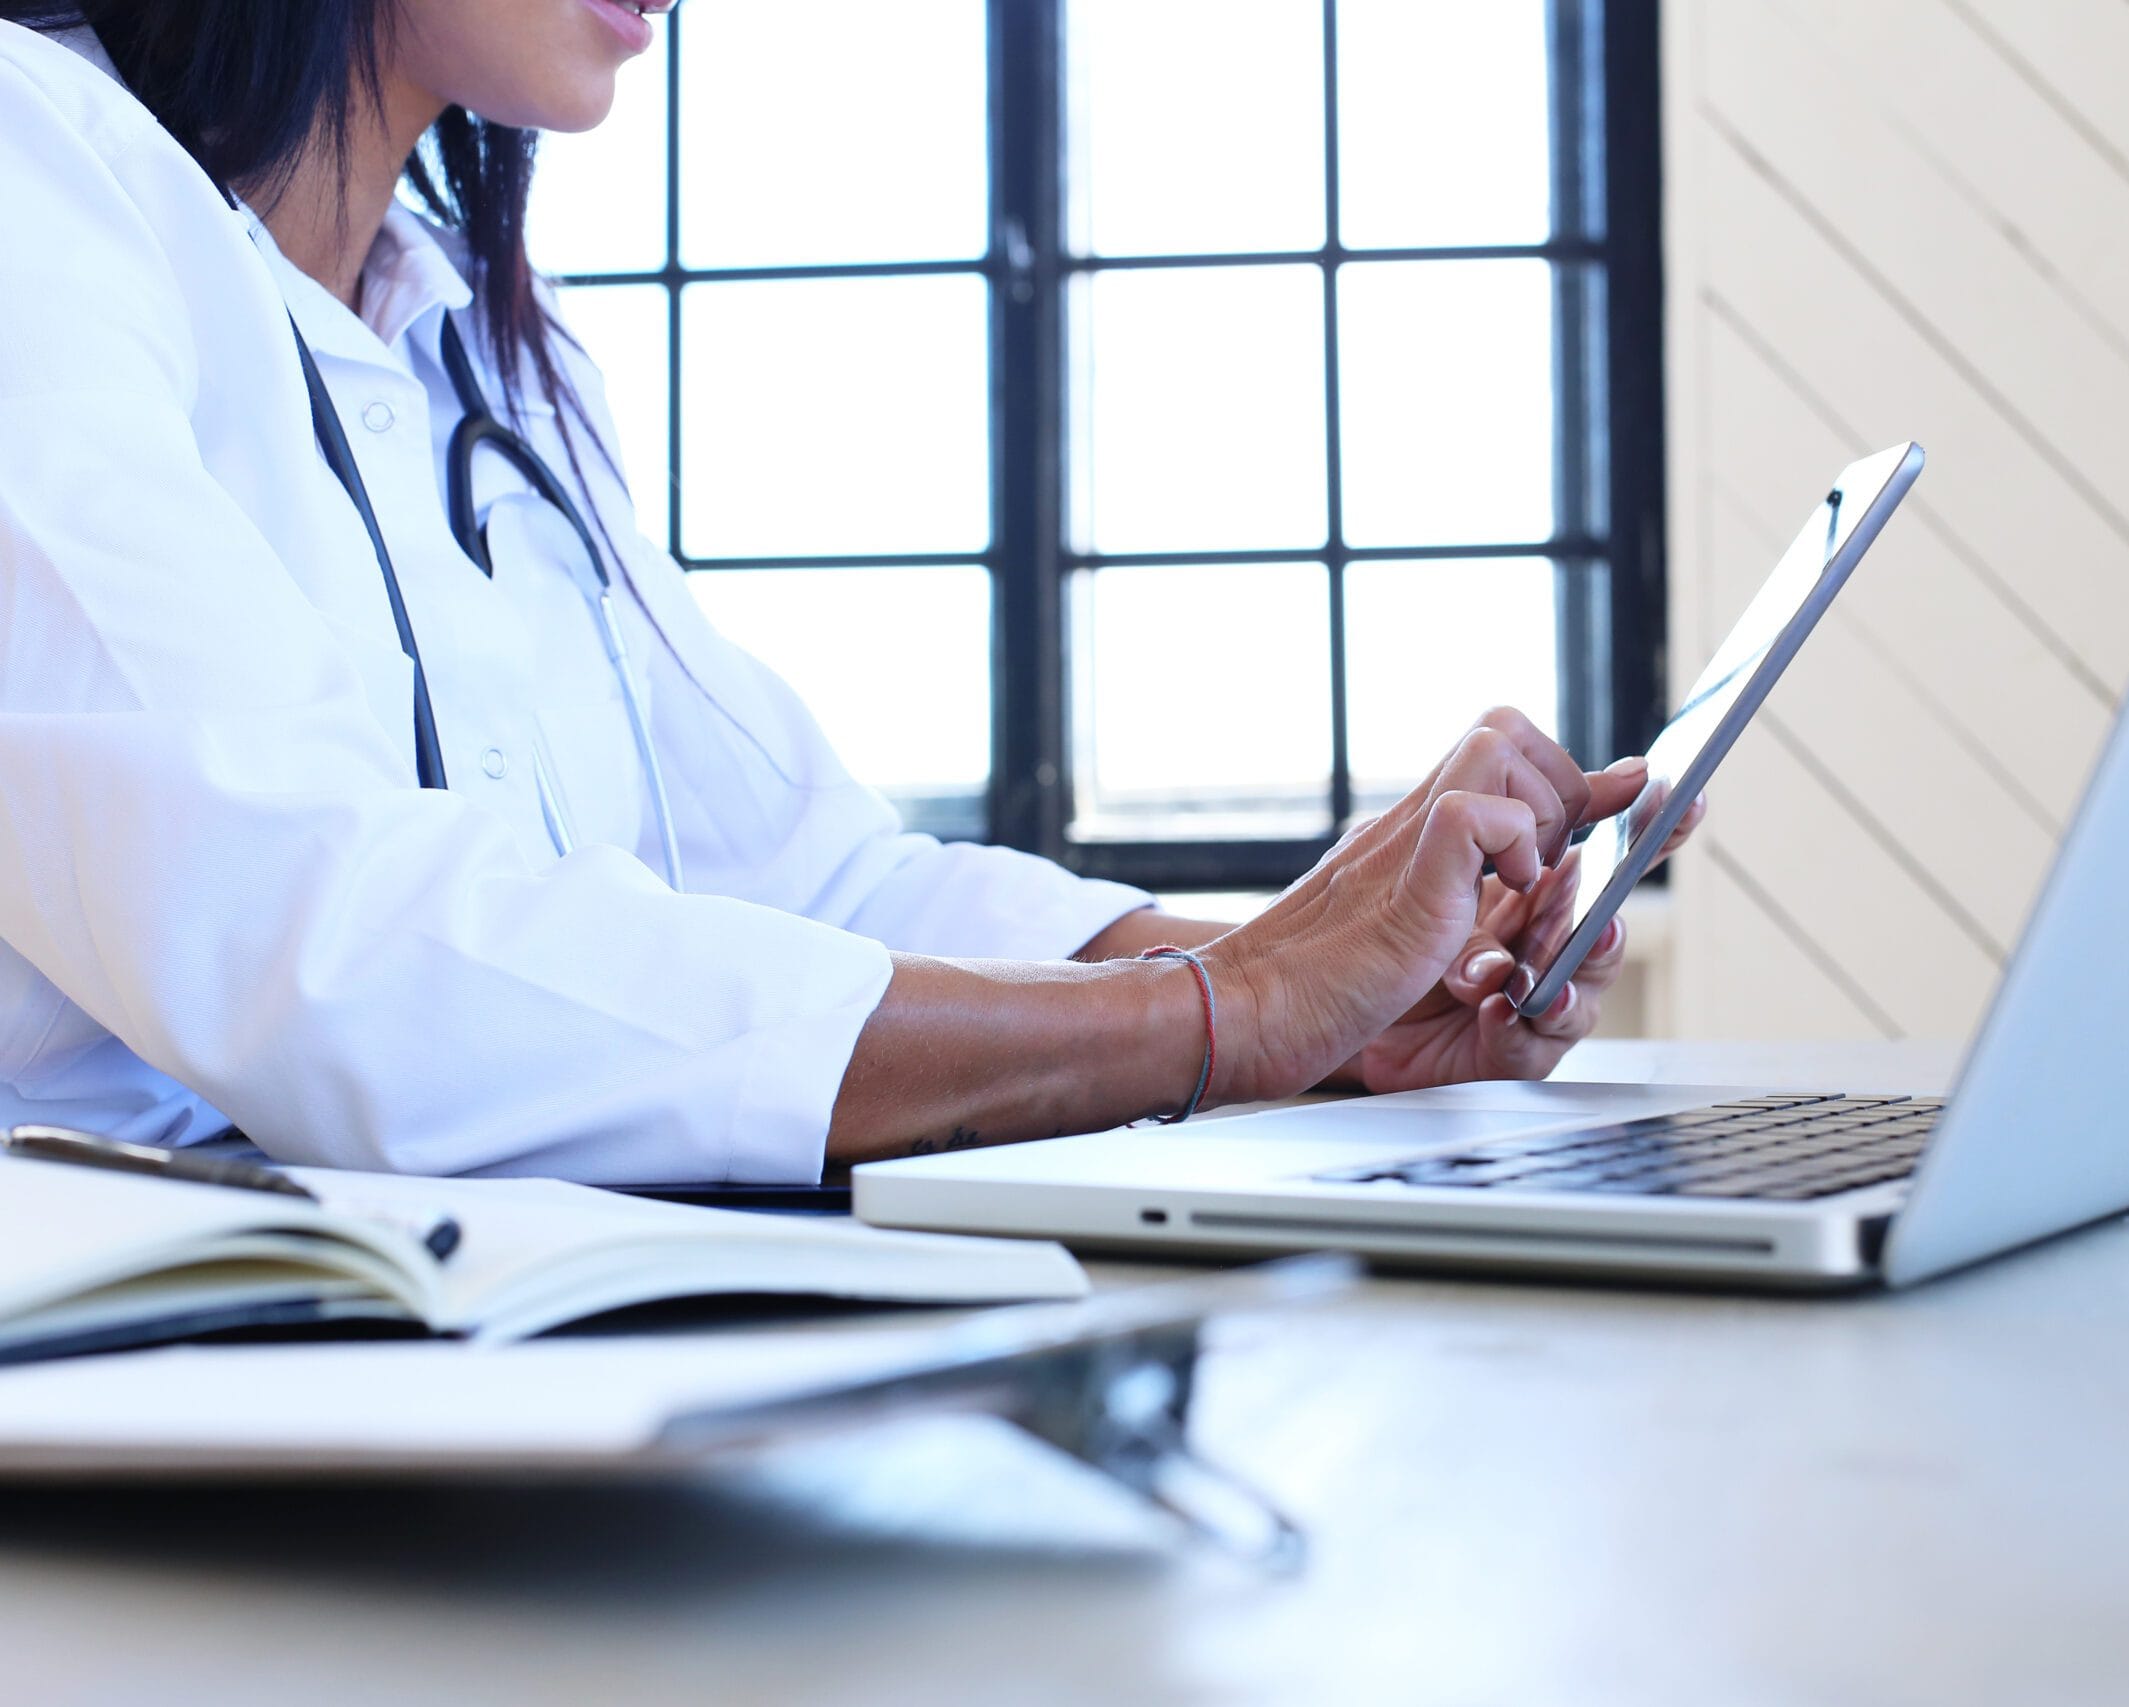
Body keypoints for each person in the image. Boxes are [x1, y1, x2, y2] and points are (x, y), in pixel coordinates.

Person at [0, 0, 1684, 1182]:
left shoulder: (493, 349)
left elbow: (815, 877)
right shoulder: (36, 173)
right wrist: (1222, 1017)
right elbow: (332, 946)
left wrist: (1333, 1000)